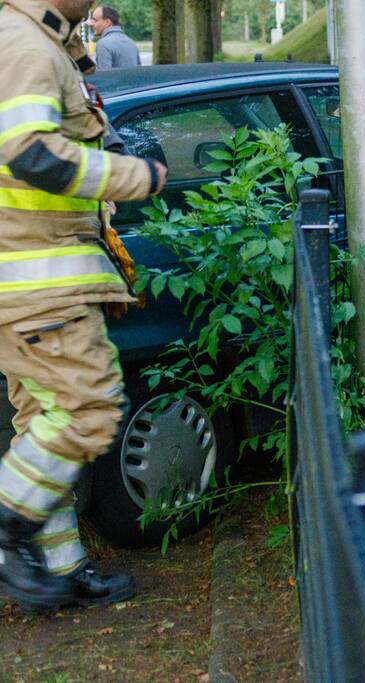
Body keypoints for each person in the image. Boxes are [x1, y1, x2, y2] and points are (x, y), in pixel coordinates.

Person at [0, 0, 166, 612]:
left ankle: (63, 571)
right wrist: (136, 176)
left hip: (29, 282)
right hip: (36, 284)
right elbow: (33, 154)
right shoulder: (23, 44)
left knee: (42, 427)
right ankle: (7, 527)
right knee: (86, 411)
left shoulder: (47, 44)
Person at [88, 5, 140, 70]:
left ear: (107, 22)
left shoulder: (103, 44)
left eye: (95, 20)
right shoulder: (131, 43)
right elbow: (139, 71)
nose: (91, 24)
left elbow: (104, 75)